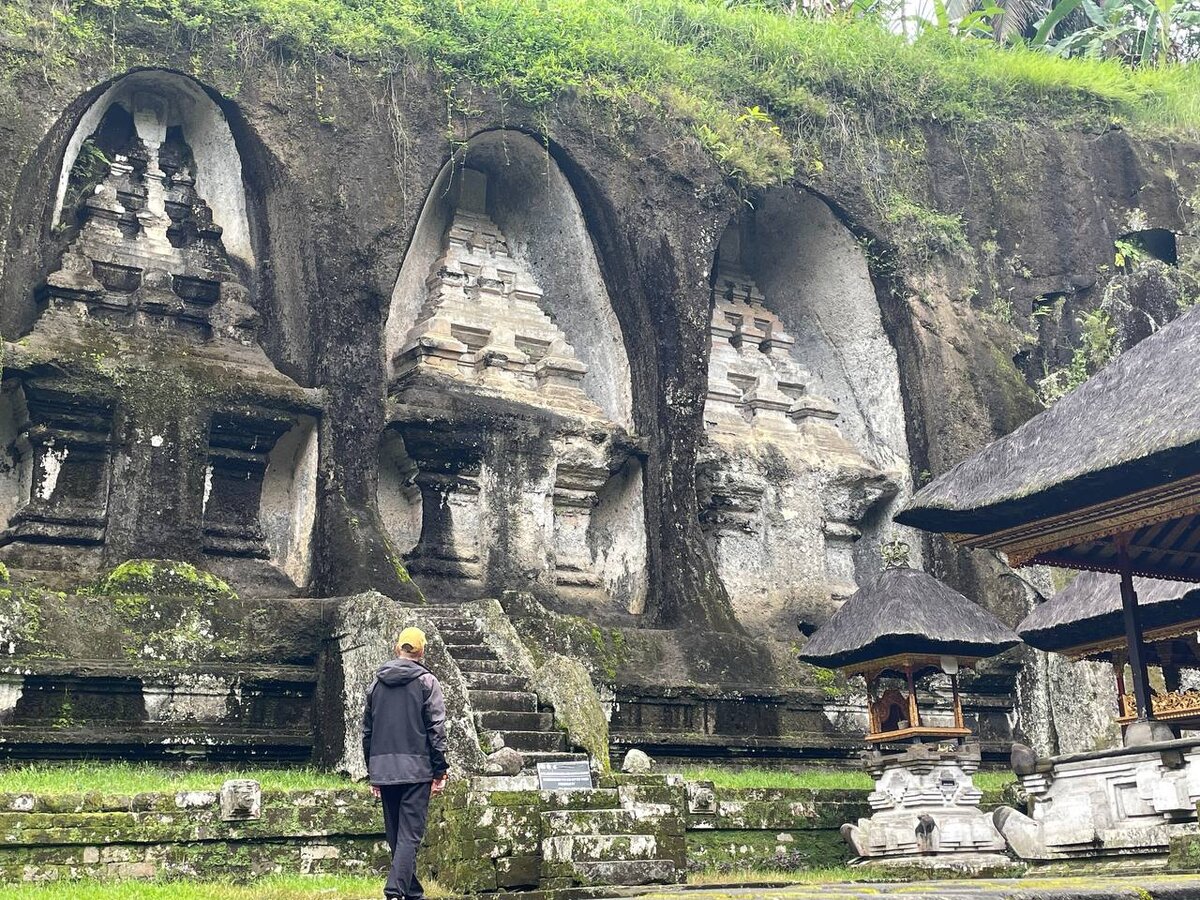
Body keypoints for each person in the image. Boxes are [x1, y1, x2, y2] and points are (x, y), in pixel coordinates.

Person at [362, 626, 450, 900]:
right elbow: (436, 728)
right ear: (422, 651)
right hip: (417, 769)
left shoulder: (375, 684)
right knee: (409, 836)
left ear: (396, 648)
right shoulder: (427, 682)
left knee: (396, 836)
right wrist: (440, 770)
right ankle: (394, 892)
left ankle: (412, 893)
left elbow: (367, 732)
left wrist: (373, 772)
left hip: (384, 769)